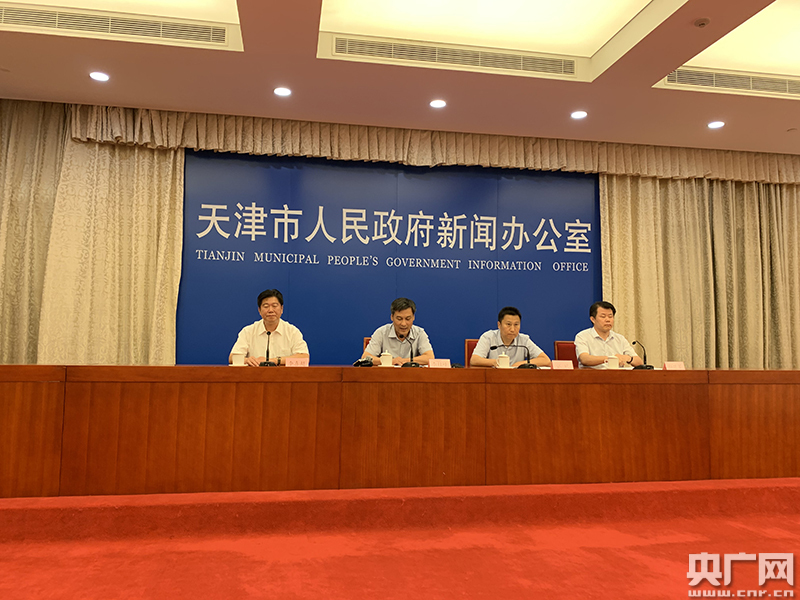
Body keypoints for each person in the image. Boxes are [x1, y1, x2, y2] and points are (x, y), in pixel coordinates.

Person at [229, 289, 309, 366]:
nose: (270, 310)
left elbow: (304, 358)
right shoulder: (248, 331)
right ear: (259, 310)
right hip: (255, 374)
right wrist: (247, 360)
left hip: (284, 375)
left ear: (281, 309)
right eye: (266, 306)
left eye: (274, 306)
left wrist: (274, 361)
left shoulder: (292, 332)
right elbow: (232, 358)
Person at [470, 306, 551, 368]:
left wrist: (521, 364)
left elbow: (546, 361)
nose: (512, 329)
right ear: (499, 325)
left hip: (517, 379)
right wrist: (496, 362)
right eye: (508, 324)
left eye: (516, 324)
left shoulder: (524, 340)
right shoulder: (488, 337)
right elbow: (474, 360)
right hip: (494, 378)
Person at [362, 297, 434, 366]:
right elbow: (365, 357)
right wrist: (390, 362)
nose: (403, 324)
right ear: (392, 317)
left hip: (411, 374)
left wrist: (406, 361)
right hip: (386, 373)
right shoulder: (381, 332)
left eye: (408, 319)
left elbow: (429, 357)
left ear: (413, 318)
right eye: (399, 319)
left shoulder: (419, 333)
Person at [574, 301, 642, 369]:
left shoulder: (620, 338)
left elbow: (639, 363)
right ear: (593, 319)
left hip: (617, 375)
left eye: (610, 316)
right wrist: (611, 359)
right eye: (603, 316)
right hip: (593, 374)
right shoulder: (583, 336)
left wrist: (628, 358)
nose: (608, 320)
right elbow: (584, 359)